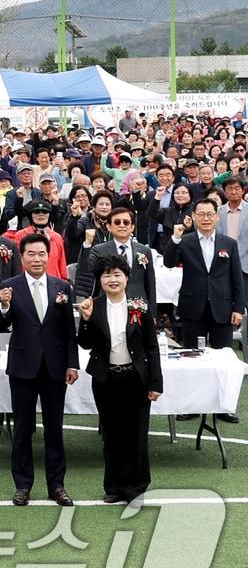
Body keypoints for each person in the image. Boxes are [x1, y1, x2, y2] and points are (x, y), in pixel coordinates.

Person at [0, 233, 78, 507]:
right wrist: (4, 305)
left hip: (55, 367)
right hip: (23, 366)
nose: (36, 259)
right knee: (22, 429)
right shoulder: (10, 286)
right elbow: (0, 323)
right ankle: (23, 485)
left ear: (49, 255)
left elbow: (69, 331)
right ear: (22, 257)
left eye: (41, 253)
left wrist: (72, 364)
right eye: (30, 254)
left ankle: (57, 485)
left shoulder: (62, 287)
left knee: (55, 429)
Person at [77, 255, 164, 503]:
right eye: (106, 275)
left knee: (136, 434)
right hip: (106, 380)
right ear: (100, 280)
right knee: (112, 434)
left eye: (117, 274)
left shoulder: (140, 306)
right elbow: (85, 343)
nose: (112, 279)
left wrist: (155, 383)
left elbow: (151, 346)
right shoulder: (93, 305)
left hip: (136, 377)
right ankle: (113, 487)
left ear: (126, 278)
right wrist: (85, 320)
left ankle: (135, 488)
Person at [163, 198, 245, 355]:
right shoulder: (185, 241)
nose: (205, 219)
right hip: (192, 307)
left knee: (223, 356)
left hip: (222, 308)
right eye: (201, 214)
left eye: (209, 214)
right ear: (193, 216)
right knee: (192, 355)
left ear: (217, 216)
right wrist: (175, 239)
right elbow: (169, 263)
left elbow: (237, 279)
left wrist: (238, 309)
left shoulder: (229, 243)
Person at [74, 205, 156, 302]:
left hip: (138, 304)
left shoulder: (144, 250)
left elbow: (150, 284)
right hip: (108, 302)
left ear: (132, 227)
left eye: (126, 222)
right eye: (117, 222)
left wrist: (152, 313)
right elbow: (85, 269)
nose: (122, 225)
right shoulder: (99, 250)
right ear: (109, 227)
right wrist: (87, 244)